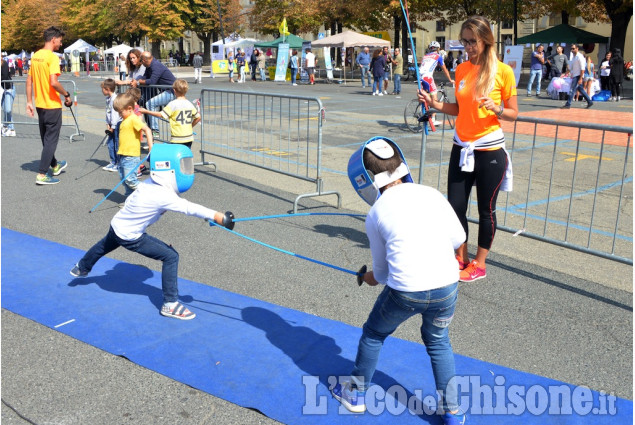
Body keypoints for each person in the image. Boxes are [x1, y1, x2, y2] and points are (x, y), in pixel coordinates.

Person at [332, 137, 466, 425]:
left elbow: (380, 274)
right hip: (447, 287)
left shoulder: (376, 212)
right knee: (439, 342)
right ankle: (452, 413)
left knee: (374, 333)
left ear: (365, 180)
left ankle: (355, 394)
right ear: (401, 165)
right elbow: (459, 238)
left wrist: (366, 277)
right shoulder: (431, 193)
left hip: (407, 292)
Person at [70, 144, 236, 321]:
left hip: (118, 224)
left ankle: (82, 267)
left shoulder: (150, 184)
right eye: (182, 166)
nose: (186, 170)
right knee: (171, 256)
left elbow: (180, 204)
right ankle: (170, 304)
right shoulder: (162, 194)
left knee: (105, 245)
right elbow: (189, 208)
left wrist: (207, 217)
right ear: (169, 169)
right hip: (130, 235)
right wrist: (218, 217)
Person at [417, 15, 518, 283]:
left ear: (486, 41)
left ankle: (480, 263)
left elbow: (513, 113)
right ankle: (459, 256)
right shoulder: (461, 69)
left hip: (489, 149)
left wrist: (496, 108)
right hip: (461, 146)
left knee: (486, 210)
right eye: (464, 41)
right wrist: (435, 104)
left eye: (473, 41)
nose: (468, 46)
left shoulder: (503, 71)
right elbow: (459, 109)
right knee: (456, 207)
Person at [26, 26, 73, 185]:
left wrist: (28, 102)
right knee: (51, 140)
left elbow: (29, 81)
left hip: (40, 104)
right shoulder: (52, 58)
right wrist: (66, 94)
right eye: (60, 41)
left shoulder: (36, 56)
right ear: (53, 40)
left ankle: (54, 164)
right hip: (52, 105)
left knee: (46, 139)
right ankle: (42, 174)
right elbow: (53, 82)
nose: (60, 44)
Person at [139, 79, 200, 149]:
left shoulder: (173, 104)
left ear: (174, 90)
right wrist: (191, 126)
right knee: (186, 155)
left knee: (176, 156)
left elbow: (161, 115)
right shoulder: (189, 104)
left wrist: (146, 111)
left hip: (177, 137)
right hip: (188, 136)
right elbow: (198, 117)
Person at [114, 92, 153, 198]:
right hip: (123, 154)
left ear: (130, 108)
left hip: (131, 156)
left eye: (120, 112)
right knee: (124, 179)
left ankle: (150, 191)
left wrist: (151, 147)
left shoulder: (133, 119)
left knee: (130, 180)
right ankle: (130, 200)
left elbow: (147, 130)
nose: (119, 115)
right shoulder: (125, 120)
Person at [132, 51, 177, 137]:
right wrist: (136, 79)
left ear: (144, 60)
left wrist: (138, 82)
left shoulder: (156, 66)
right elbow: (145, 76)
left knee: (150, 103)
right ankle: (151, 130)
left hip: (171, 91)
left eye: (141, 61)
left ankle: (155, 130)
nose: (140, 63)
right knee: (169, 113)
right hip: (165, 91)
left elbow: (152, 81)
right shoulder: (149, 66)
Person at [420, 41, 455, 126]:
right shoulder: (438, 56)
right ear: (438, 49)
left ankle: (425, 110)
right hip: (428, 77)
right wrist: (450, 79)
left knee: (428, 95)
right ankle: (433, 119)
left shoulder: (425, 56)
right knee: (434, 98)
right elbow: (445, 69)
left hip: (420, 77)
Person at [561, 44, 593, 109]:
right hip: (575, 75)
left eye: (573, 48)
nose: (572, 50)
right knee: (580, 89)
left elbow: (582, 69)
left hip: (578, 76)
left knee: (572, 90)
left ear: (577, 48)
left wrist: (581, 78)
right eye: (571, 49)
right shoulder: (573, 57)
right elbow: (571, 68)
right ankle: (589, 101)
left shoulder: (580, 57)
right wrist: (565, 73)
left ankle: (568, 104)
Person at [101, 79, 121, 172]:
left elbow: (115, 115)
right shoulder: (107, 99)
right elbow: (108, 113)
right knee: (110, 144)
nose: (102, 91)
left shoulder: (114, 99)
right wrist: (107, 123)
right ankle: (113, 162)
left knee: (117, 144)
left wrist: (112, 126)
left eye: (103, 89)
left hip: (116, 125)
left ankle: (118, 163)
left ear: (107, 89)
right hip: (111, 124)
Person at [2, 56, 16, 137]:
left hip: (8, 88)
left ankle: (5, 126)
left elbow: (4, 76)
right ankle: (11, 128)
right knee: (5, 110)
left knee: (7, 110)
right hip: (2, 89)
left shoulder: (4, 63)